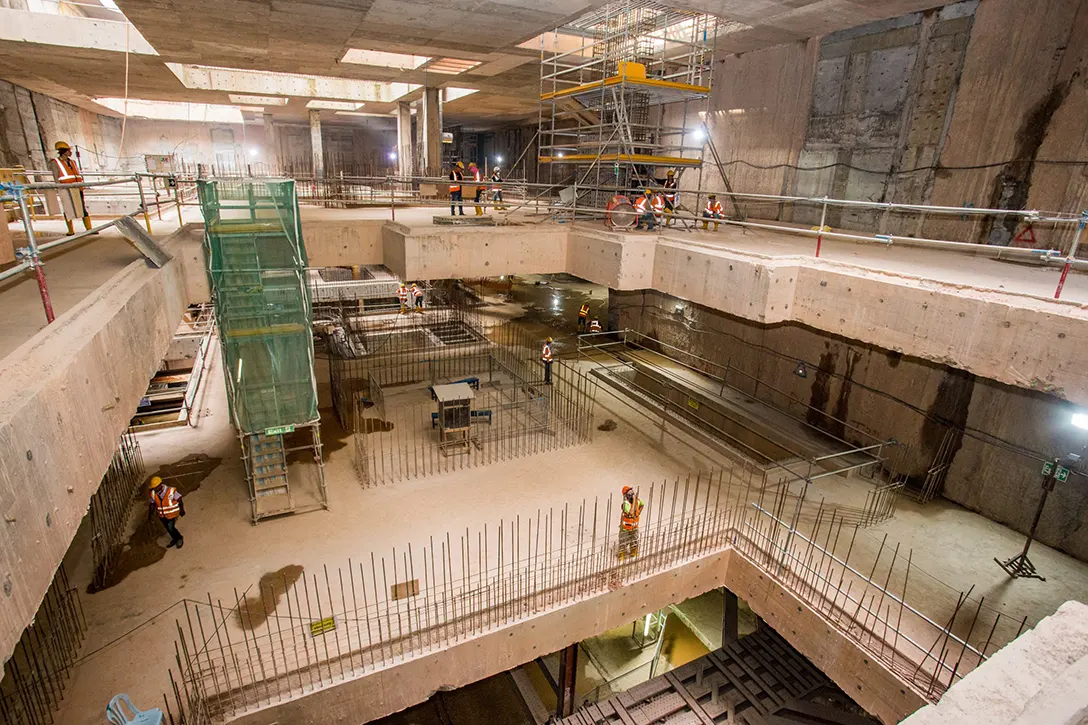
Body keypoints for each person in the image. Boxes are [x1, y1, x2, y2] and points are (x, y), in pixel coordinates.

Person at [50, 141, 93, 236]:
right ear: (63, 151)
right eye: (68, 150)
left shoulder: (72, 162)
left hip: (77, 188)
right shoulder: (55, 162)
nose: (70, 152)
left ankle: (89, 229)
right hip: (66, 189)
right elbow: (56, 176)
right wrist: (59, 188)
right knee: (68, 209)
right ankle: (70, 230)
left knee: (82, 208)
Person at [149, 476, 185, 549]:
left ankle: (179, 538)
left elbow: (179, 499)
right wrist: (150, 515)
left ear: (160, 485)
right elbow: (152, 504)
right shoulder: (153, 493)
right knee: (168, 528)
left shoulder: (171, 491)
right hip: (162, 515)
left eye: (155, 487)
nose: (154, 489)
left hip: (171, 514)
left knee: (170, 527)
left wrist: (182, 510)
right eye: (153, 488)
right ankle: (174, 539)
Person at [618, 485, 645, 559]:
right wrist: (633, 501)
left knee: (634, 541)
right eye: (629, 492)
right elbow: (630, 512)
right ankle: (621, 556)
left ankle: (634, 554)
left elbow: (642, 504)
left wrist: (639, 512)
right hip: (625, 528)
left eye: (632, 491)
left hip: (634, 527)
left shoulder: (638, 501)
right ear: (626, 495)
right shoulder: (626, 504)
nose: (632, 493)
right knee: (623, 542)